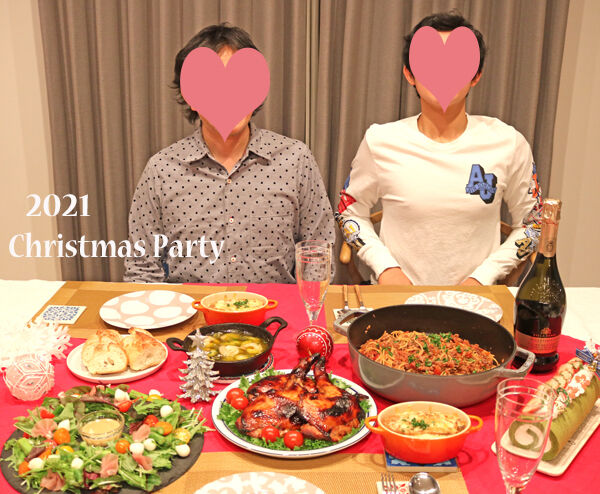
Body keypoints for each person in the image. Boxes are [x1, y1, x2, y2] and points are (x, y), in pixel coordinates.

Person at [336, 11, 542, 286]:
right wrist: (385, 268)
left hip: (476, 301)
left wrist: (484, 277)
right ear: (409, 74)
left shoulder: (508, 142)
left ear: (476, 75)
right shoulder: (380, 140)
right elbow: (349, 211)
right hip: (397, 300)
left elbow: (532, 224)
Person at [124, 24, 334, 284]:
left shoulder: (295, 159)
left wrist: (308, 305)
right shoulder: (162, 169)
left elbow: (318, 253)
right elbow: (142, 269)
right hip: (190, 309)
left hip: (277, 309)